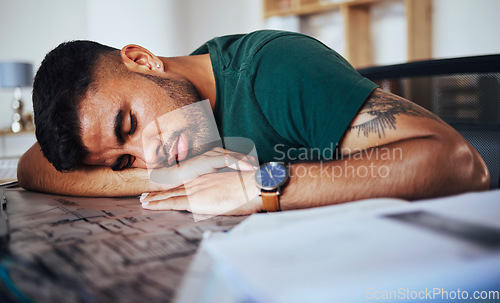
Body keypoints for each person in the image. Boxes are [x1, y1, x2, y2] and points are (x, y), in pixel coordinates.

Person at [18, 30, 490, 215]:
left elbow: (460, 163)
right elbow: (30, 167)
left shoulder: (275, 72)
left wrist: (260, 188)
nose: (149, 154)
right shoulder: (173, 134)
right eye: (123, 160)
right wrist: (175, 175)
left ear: (142, 60)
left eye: (130, 125)